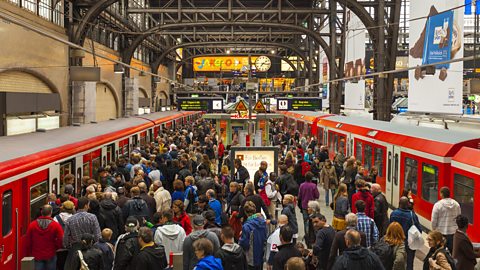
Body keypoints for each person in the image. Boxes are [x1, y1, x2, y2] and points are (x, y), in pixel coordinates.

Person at [63, 197, 101, 269]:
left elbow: (65, 238)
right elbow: (97, 235)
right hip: (90, 248)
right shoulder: (92, 217)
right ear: (86, 205)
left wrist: (68, 246)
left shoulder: (70, 219)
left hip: (75, 248)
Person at [26, 205, 64, 270]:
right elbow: (61, 239)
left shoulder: (32, 225)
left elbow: (28, 240)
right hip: (51, 254)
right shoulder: (55, 225)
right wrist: (56, 247)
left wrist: (30, 252)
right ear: (51, 212)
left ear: (41, 212)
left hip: (37, 254)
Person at [390, 196, 422, 270]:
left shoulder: (393, 213)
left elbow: (390, 228)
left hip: (395, 241)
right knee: (409, 263)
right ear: (408, 204)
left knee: (396, 260)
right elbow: (419, 230)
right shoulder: (412, 216)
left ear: (399, 203)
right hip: (409, 243)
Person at [239, 201, 268, 270]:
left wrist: (240, 237)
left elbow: (245, 244)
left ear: (245, 212)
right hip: (261, 254)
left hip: (251, 258)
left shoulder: (246, 226)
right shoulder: (263, 222)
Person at [431, 187, 461, 252]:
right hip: (453, 233)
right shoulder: (456, 204)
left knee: (440, 252)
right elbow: (459, 218)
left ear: (441, 194)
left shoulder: (437, 205)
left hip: (440, 233)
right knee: (451, 252)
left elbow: (434, 220)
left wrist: (434, 230)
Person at [298, 172, 320, 238]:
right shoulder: (313, 186)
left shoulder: (302, 185)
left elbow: (299, 196)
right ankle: (312, 234)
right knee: (313, 220)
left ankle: (307, 235)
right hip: (312, 206)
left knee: (305, 221)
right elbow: (317, 195)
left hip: (304, 205)